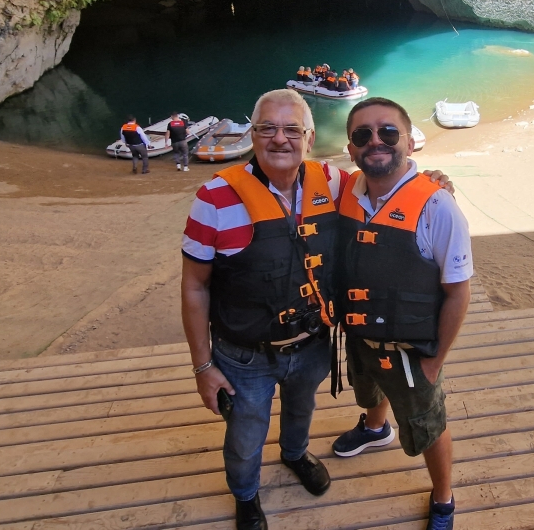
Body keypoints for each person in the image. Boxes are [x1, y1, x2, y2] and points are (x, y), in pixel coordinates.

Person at [180, 90, 455, 530]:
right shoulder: (213, 199)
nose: (279, 139)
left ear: (309, 137)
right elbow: (194, 286)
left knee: (301, 409)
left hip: (311, 342)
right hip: (244, 354)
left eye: (292, 129)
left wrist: (432, 181)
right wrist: (202, 365)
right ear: (253, 134)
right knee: (246, 433)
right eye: (267, 128)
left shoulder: (331, 181)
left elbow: (384, 184)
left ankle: (294, 454)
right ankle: (246, 495)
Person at [331, 97, 472, 530]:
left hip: (412, 347)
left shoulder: (437, 205)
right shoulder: (343, 192)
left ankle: (444, 498)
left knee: (428, 423)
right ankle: (376, 429)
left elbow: (458, 292)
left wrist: (435, 361)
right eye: (362, 135)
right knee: (369, 388)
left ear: (409, 141)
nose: (376, 141)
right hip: (360, 333)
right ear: (351, 148)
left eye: (388, 132)